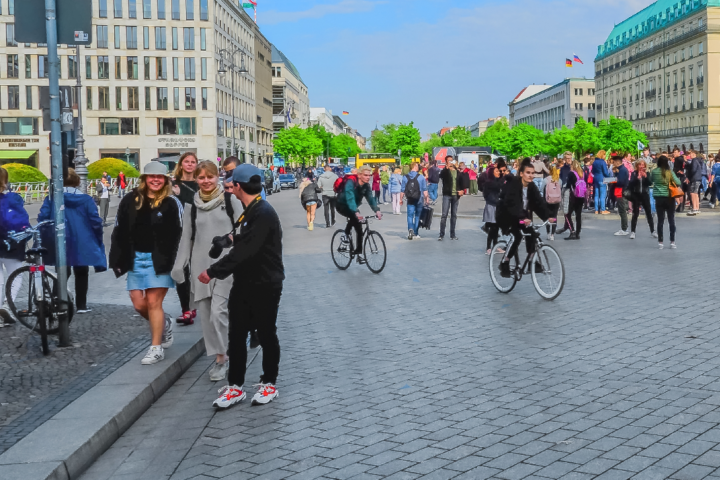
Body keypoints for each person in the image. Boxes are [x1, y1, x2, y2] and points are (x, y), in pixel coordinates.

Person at [199, 164, 284, 408]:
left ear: (238, 186)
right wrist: (225, 240)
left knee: (266, 333)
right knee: (236, 335)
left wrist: (212, 272)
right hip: (244, 283)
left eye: (230, 185)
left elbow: (245, 252)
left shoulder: (264, 212)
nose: (228, 189)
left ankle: (269, 383)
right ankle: (235, 387)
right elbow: (244, 237)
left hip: (265, 284)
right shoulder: (251, 211)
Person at [172, 161, 241, 382]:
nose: (206, 181)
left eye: (210, 177)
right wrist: (179, 266)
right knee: (207, 318)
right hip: (200, 269)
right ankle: (221, 356)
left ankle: (225, 356)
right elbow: (186, 239)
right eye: (201, 178)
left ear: (217, 177)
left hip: (227, 268)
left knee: (218, 313)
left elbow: (243, 232)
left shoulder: (231, 202)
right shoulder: (191, 208)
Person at [109, 162, 183, 365]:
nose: (156, 180)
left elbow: (181, 233)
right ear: (144, 179)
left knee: (153, 302)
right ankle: (165, 324)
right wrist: (117, 259)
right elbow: (118, 229)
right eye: (151, 177)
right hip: (136, 259)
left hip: (160, 260)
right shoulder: (130, 200)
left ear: (166, 180)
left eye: (160, 177)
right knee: (139, 304)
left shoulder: (171, 202)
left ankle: (155, 347)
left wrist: (179, 261)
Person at [38, 169, 106, 314]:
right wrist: (97, 235)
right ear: (77, 181)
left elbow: (43, 216)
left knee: (62, 271)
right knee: (82, 271)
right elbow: (95, 220)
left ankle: (57, 300)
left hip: (59, 237)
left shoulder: (52, 198)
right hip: (82, 239)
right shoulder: (86, 199)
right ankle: (81, 305)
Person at [496, 159, 553, 277]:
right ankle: (505, 262)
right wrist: (522, 217)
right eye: (528, 173)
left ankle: (532, 261)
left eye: (532, 173)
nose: (531, 175)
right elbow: (513, 203)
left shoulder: (531, 186)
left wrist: (548, 217)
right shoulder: (514, 184)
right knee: (517, 236)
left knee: (533, 233)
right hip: (507, 215)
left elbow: (538, 203)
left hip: (521, 215)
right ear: (521, 173)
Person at [172, 153, 200, 325]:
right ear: (181, 164)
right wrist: (176, 195)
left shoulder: (200, 183)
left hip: (198, 232)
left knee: (196, 270)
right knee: (181, 270)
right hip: (179, 232)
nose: (190, 165)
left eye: (193, 162)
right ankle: (186, 309)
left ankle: (194, 304)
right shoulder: (173, 184)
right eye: (186, 162)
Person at [0, 167, 30, 326]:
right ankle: (6, 305)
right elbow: (23, 220)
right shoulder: (13, 198)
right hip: (13, 242)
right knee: (16, 276)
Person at [336, 164, 382, 262]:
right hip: (342, 204)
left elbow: (370, 198)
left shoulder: (366, 186)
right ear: (359, 175)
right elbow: (350, 198)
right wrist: (356, 212)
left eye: (369, 175)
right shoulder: (350, 183)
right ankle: (345, 235)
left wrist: (377, 210)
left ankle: (358, 253)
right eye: (365, 175)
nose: (368, 177)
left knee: (359, 229)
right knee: (354, 217)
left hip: (353, 206)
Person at [651, 155, 680, 249]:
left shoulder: (654, 172)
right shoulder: (670, 172)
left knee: (660, 221)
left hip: (659, 198)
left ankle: (660, 242)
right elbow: (678, 182)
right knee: (671, 220)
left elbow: (650, 180)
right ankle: (672, 242)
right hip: (669, 197)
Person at [438, 156, 469, 241]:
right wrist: (446, 168)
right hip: (447, 195)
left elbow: (462, 182)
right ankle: (441, 234)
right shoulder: (445, 171)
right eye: (449, 161)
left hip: (455, 195)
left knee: (454, 215)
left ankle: (453, 234)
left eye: (452, 161)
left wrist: (462, 190)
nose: (451, 162)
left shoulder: (458, 172)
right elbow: (441, 176)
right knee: (444, 215)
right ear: (446, 162)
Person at [628, 160, 655, 240]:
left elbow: (650, 183)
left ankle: (653, 231)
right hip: (636, 195)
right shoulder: (634, 173)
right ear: (637, 165)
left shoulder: (647, 173)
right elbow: (631, 184)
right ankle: (633, 231)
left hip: (645, 195)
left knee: (648, 213)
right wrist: (637, 178)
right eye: (640, 165)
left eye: (643, 165)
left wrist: (646, 177)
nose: (641, 166)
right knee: (635, 213)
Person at [401, 162, 429, 240]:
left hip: (410, 198)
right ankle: (416, 233)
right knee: (417, 215)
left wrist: (400, 199)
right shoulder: (421, 177)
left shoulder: (405, 177)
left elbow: (402, 189)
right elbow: (424, 189)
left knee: (410, 215)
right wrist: (427, 199)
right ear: (415, 167)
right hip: (419, 199)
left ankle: (410, 229)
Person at [482, 165, 502, 254]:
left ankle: (496, 245)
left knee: (496, 227)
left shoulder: (498, 181)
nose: (499, 173)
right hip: (491, 205)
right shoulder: (490, 182)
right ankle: (488, 247)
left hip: (498, 205)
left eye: (499, 171)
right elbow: (496, 188)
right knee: (493, 227)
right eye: (497, 171)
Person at [563, 161, 585, 240]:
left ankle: (572, 231)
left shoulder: (571, 173)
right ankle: (577, 233)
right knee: (578, 215)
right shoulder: (582, 173)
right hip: (581, 196)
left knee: (568, 214)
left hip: (573, 196)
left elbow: (569, 185)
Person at [541, 166, 561, 240]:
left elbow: (541, 188)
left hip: (547, 200)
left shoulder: (546, 180)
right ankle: (553, 234)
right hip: (556, 201)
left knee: (548, 217)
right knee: (554, 216)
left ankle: (548, 233)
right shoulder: (559, 180)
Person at [612, 155, 630, 236]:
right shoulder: (621, 169)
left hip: (621, 191)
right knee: (622, 210)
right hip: (620, 191)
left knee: (622, 211)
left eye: (614, 162)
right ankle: (624, 228)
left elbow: (621, 182)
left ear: (617, 162)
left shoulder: (622, 170)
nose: (613, 163)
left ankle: (624, 229)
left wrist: (614, 180)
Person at [683, 149, 703, 215]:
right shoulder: (699, 160)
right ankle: (697, 208)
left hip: (694, 179)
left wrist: (689, 177)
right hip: (698, 178)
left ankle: (694, 208)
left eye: (691, 154)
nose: (689, 155)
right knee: (696, 193)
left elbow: (693, 170)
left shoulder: (694, 160)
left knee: (692, 193)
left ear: (694, 154)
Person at [672, 148, 686, 212]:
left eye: (675, 152)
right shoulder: (679, 159)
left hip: (678, 177)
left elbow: (678, 167)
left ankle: (680, 205)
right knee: (679, 191)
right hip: (679, 176)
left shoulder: (678, 159)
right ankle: (680, 205)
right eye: (673, 152)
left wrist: (680, 171)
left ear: (678, 152)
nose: (674, 153)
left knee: (677, 191)